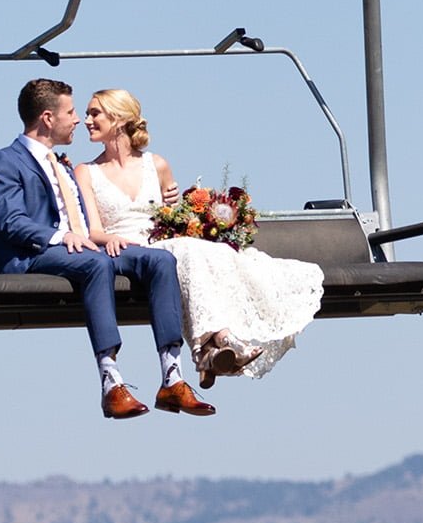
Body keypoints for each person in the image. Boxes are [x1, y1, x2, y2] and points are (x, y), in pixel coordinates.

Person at [0, 78, 216, 421]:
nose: (78, 119)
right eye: (71, 112)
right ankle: (111, 382)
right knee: (97, 265)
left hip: (88, 248)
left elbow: (92, 214)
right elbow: (11, 222)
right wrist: (62, 237)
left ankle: (172, 377)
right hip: (39, 253)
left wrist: (113, 233)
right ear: (48, 118)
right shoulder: (5, 161)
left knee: (161, 260)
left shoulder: (62, 164)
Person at [74, 89, 323, 388]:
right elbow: (92, 229)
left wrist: (180, 209)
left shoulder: (157, 164)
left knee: (208, 253)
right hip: (127, 250)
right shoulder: (86, 171)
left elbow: (171, 218)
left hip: (162, 244)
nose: (87, 121)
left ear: (118, 118)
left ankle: (211, 349)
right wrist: (110, 237)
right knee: (189, 253)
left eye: (95, 113)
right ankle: (219, 341)